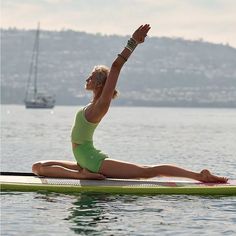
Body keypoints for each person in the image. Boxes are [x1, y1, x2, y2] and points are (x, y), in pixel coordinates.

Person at [32, 24, 228, 183]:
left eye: (91, 77)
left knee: (146, 171)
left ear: (100, 83)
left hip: (92, 161)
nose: (87, 79)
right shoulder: (90, 105)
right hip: (83, 159)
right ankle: (81, 174)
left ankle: (199, 176)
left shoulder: (102, 104)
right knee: (38, 167)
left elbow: (116, 66)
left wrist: (133, 42)